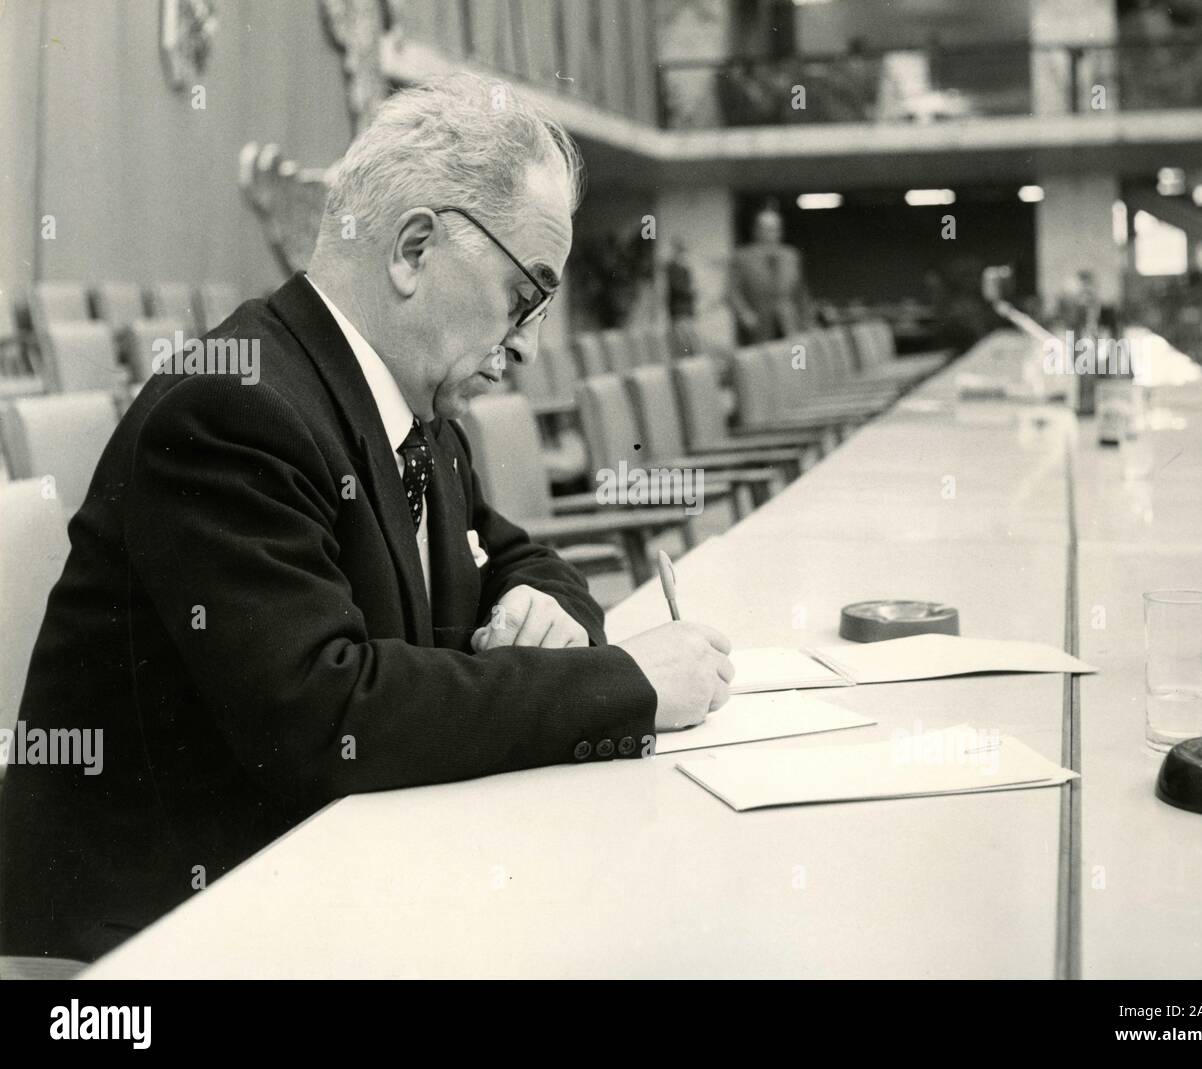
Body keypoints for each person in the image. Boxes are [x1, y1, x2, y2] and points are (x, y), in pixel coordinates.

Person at [0, 72, 733, 964]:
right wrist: (630, 684)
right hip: (157, 941)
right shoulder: (231, 411)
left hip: (318, 877)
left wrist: (546, 604)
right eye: (525, 296)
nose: (531, 344)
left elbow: (523, 559)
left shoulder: (416, 412)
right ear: (415, 248)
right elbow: (329, 714)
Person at [728, 206, 812, 344]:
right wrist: (744, 314)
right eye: (766, 229)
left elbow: (801, 292)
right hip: (759, 324)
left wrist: (807, 320)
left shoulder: (791, 255)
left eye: (775, 229)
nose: (771, 233)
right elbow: (733, 292)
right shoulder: (742, 257)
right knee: (764, 363)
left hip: (790, 322)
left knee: (798, 362)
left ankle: (798, 365)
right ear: (756, 230)